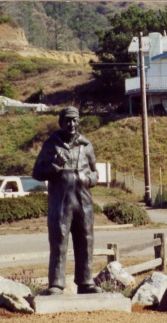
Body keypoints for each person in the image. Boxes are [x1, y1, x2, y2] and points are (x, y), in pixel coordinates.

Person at [33, 106, 101, 295]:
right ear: (61, 123)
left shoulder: (86, 145)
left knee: (86, 238)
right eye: (67, 120)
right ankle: (56, 283)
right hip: (61, 199)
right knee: (59, 239)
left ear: (79, 121)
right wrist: (54, 166)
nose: (71, 124)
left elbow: (96, 172)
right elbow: (37, 173)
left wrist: (90, 180)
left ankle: (86, 281)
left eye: (75, 120)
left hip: (83, 198)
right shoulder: (51, 144)